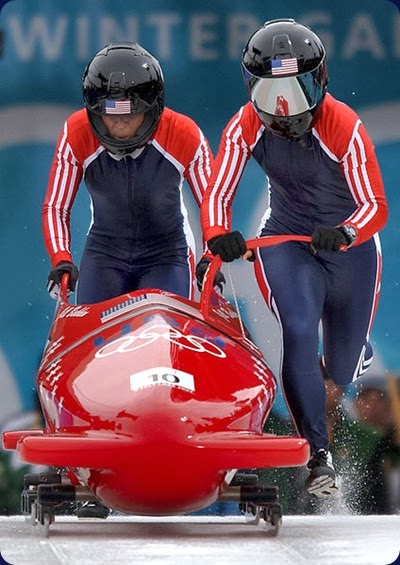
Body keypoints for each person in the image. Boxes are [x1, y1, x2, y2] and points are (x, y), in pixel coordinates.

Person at [200, 19, 388, 498]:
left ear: (320, 82)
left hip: (348, 248)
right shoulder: (245, 124)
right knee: (298, 329)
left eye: (297, 90)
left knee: (341, 371)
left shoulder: (343, 125)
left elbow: (375, 204)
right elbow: (218, 191)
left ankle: (352, 350)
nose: (284, 109)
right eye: (270, 93)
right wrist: (218, 236)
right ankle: (317, 455)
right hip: (286, 239)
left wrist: (346, 231)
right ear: (251, 89)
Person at [43, 41, 224, 305]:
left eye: (130, 113)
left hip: (167, 254)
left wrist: (210, 255)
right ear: (94, 110)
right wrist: (61, 259)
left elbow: (214, 200)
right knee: (92, 337)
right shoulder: (77, 132)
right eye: (110, 113)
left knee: (159, 328)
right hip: (104, 254)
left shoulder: (183, 134)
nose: (119, 123)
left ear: (152, 109)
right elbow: (56, 207)